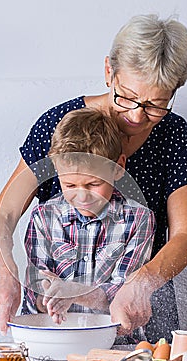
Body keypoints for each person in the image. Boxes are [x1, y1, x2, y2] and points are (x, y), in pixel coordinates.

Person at [0, 14, 187, 343]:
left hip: (136, 315)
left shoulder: (176, 136)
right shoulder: (60, 125)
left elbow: (184, 236)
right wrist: (3, 273)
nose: (137, 116)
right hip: (61, 326)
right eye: (127, 96)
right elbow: (3, 213)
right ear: (109, 72)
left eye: (156, 105)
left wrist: (141, 283)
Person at [22, 108, 155, 331]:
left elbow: (122, 295)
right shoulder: (43, 218)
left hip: (115, 344)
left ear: (118, 168)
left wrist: (75, 292)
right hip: (54, 337)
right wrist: (49, 293)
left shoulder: (138, 219)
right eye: (70, 185)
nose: (82, 196)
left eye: (93, 184)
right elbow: (34, 293)